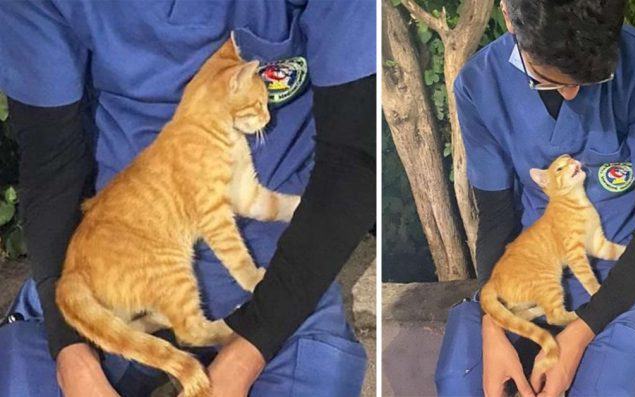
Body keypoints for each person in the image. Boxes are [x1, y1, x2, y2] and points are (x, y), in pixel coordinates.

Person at [0, 1, 375, 396]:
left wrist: (250, 350)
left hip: (279, 277)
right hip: (112, 269)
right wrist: (72, 355)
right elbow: (51, 167)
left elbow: (355, 158)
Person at [435, 1, 635, 396]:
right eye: (549, 80)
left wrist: (577, 338)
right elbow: (497, 218)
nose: (572, 95)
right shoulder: (479, 85)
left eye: (591, 81)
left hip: (618, 282)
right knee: (462, 381)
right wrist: (494, 321)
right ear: (508, 15)